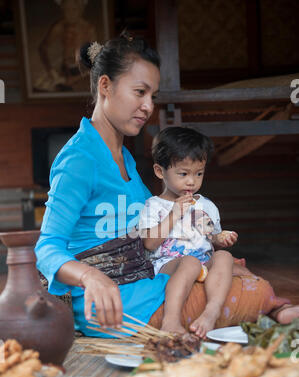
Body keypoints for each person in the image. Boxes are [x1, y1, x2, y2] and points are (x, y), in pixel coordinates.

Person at [35, 32, 299, 338]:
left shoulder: (125, 158)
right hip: (115, 304)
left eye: (153, 96)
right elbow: (47, 247)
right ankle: (274, 309)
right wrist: (91, 277)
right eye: (139, 92)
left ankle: (271, 307)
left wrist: (205, 243)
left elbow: (158, 225)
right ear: (105, 86)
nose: (148, 106)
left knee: (227, 268)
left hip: (145, 282)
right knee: (251, 291)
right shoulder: (79, 160)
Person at [138, 127, 239, 337]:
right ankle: (171, 321)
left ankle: (211, 312)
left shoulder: (206, 205)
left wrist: (221, 238)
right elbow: (149, 243)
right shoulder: (154, 205)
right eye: (183, 174)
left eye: (199, 173)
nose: (192, 181)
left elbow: (211, 237)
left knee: (224, 257)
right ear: (160, 171)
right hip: (169, 264)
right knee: (190, 262)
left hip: (203, 261)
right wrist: (174, 214)